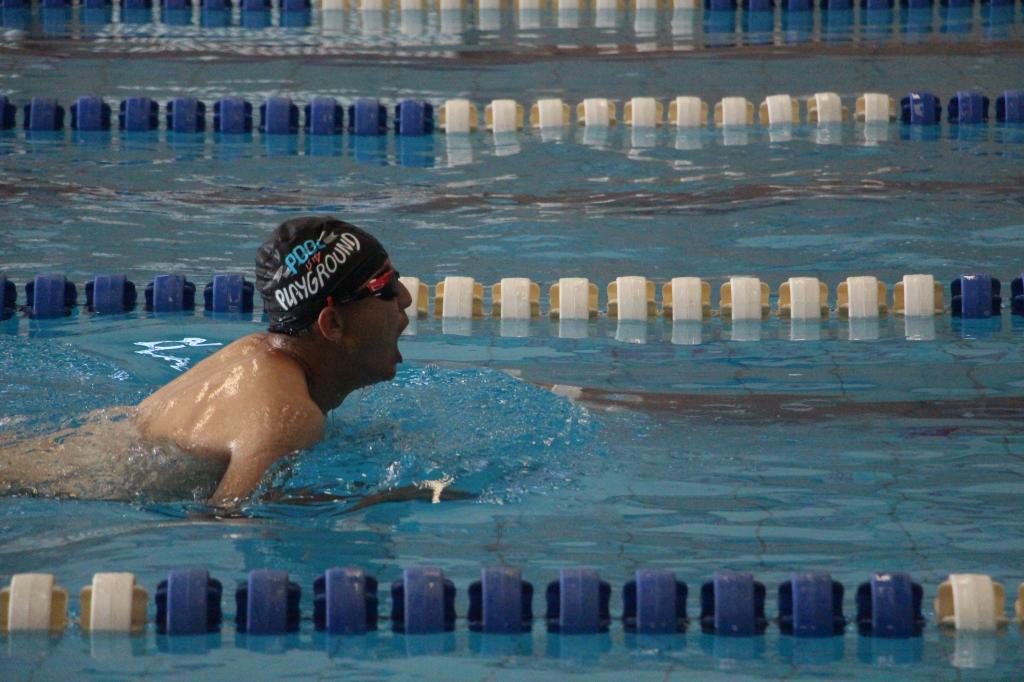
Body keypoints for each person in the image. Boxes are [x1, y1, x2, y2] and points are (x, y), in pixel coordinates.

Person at [132, 216, 414, 506]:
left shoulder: (257, 354)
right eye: (386, 286)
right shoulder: (286, 415)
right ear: (332, 324)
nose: (405, 298)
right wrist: (387, 499)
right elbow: (226, 516)